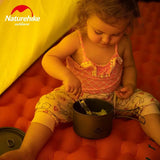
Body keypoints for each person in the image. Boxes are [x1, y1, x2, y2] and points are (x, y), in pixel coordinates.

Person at [0, 0, 160, 159]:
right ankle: (27, 151)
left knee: (146, 101)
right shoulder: (76, 40)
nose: (106, 40)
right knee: (47, 105)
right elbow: (49, 58)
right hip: (74, 97)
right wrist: (67, 76)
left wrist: (130, 85)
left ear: (126, 28)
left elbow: (130, 66)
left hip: (114, 97)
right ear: (84, 20)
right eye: (98, 32)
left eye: (115, 34)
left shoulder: (123, 43)